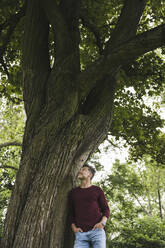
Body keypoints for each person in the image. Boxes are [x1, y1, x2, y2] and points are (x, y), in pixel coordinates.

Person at [68, 164, 110, 248]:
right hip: (81, 234)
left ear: (90, 175)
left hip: (97, 231)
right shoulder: (73, 192)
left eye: (83, 169)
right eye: (80, 169)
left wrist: (102, 223)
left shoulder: (97, 190)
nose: (80, 171)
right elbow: (71, 213)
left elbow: (106, 209)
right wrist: (74, 229)